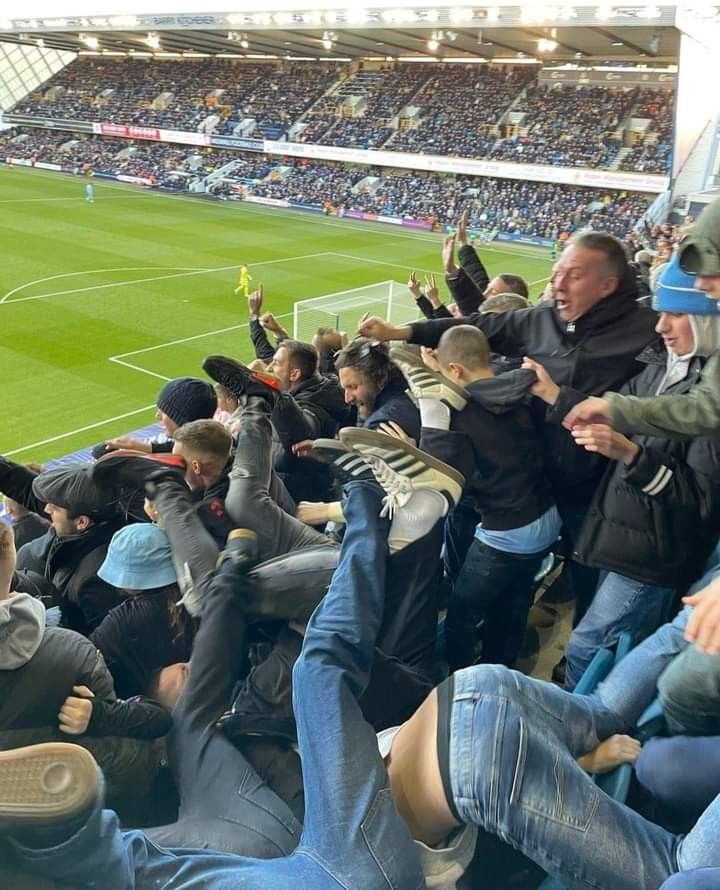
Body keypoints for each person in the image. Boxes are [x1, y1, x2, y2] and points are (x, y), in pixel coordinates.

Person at [6, 498, 720, 887]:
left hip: (459, 753)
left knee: (665, 856)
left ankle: (381, 525)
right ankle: (381, 523)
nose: (182, 675)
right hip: (464, 720)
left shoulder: (209, 753)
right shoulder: (214, 741)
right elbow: (316, 667)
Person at [359, 230, 659, 620]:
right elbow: (474, 325)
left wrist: (561, 397)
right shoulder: (541, 320)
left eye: (573, 275)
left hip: (598, 489)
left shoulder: (647, 332)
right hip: (540, 483)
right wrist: (400, 332)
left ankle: (576, 652)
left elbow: (653, 412)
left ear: (608, 285)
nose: (557, 284)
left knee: (589, 574)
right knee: (532, 576)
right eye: (556, 273)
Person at [527, 254, 720, 688]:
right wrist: (556, 396)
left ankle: (580, 729)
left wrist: (631, 455)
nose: (660, 326)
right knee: (600, 645)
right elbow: (610, 413)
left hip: (652, 558)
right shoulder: (661, 364)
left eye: (675, 314)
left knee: (587, 650)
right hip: (622, 537)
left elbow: (702, 505)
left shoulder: (712, 406)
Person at [390, 329, 560, 670]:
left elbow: (440, 491)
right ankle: (502, 663)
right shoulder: (523, 387)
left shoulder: (463, 418)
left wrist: (420, 439)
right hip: (549, 517)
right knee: (513, 600)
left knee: (462, 611)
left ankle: (461, 680)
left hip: (508, 531)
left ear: (454, 371)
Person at [0, 522, 169, 810]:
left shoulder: (109, 629)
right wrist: (100, 714)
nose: (49, 510)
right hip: (59, 815)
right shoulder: (76, 652)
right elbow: (137, 743)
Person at [564, 197, 720, 439]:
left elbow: (709, 411)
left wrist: (632, 456)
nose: (701, 283)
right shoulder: (657, 364)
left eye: (711, 265)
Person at [0, 459, 123, 634]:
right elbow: (24, 486)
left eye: (54, 507)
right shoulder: (90, 512)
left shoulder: (95, 581)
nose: (47, 510)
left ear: (81, 522)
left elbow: (95, 642)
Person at [101, 376, 217, 455]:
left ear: (181, 419)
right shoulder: (208, 447)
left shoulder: (193, 476)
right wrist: (144, 447)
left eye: (164, 412)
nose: (157, 416)